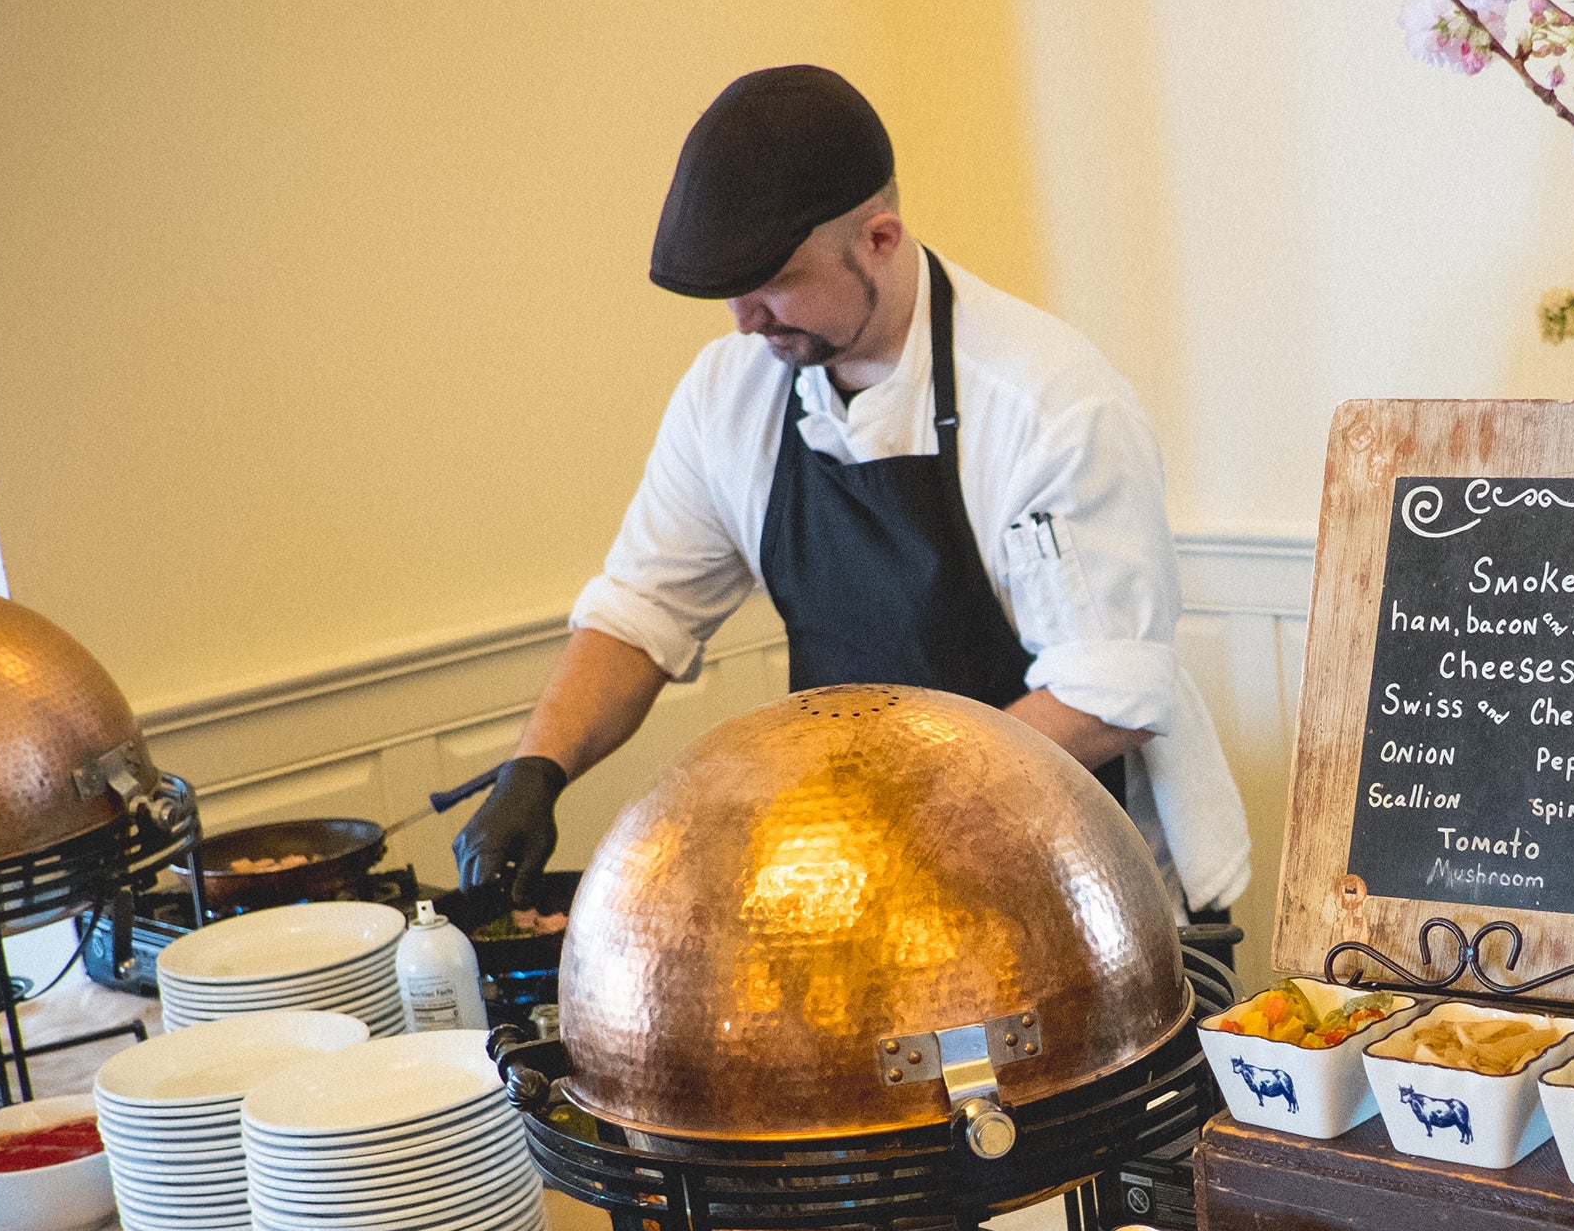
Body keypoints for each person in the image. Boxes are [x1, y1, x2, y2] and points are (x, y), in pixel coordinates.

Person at [450, 65, 1248, 923]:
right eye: (730, 293)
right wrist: (537, 769)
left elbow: (1104, 698)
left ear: (879, 238)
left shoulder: (1048, 402)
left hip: (1072, 877)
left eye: (775, 281)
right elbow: (643, 611)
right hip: (868, 869)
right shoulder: (731, 392)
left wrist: (882, 815)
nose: (745, 320)